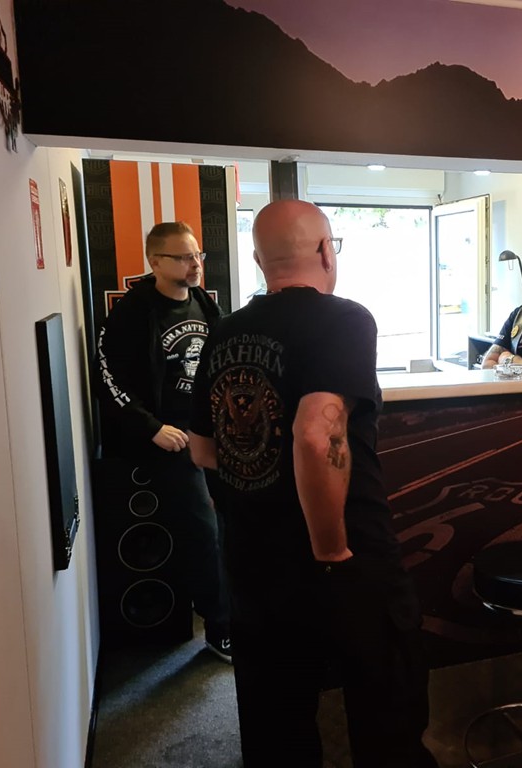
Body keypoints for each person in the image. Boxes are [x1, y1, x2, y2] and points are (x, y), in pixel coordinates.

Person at [187, 200, 438, 768]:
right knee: (387, 713)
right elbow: (315, 432)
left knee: (277, 728)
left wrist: (258, 493)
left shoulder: (223, 332)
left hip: (255, 562)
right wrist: (332, 549)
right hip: (345, 558)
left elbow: (203, 450)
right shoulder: (344, 319)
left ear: (259, 261)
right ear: (326, 251)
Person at [95, 221, 231, 662]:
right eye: (184, 257)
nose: (195, 264)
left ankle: (237, 610)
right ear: (155, 261)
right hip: (166, 438)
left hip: (208, 430)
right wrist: (151, 427)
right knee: (202, 530)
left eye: (197, 255)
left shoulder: (204, 304)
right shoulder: (133, 312)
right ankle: (219, 628)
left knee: (229, 522)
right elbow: (107, 378)